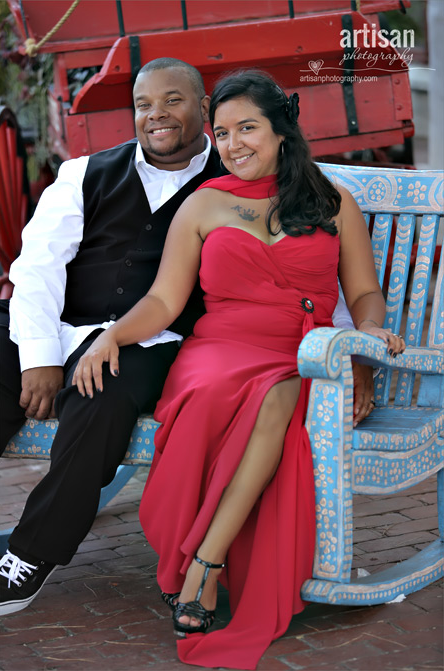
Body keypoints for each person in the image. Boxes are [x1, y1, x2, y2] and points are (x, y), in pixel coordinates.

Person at [0, 57, 370, 618]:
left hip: (155, 340)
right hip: (67, 325)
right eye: (144, 105)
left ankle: (29, 556)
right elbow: (36, 270)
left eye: (173, 101)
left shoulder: (229, 182)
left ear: (201, 109)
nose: (156, 115)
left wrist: (356, 349)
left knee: (103, 398)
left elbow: (320, 284)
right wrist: (39, 358)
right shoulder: (84, 173)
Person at [72, 70, 406, 669]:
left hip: (303, 352)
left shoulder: (331, 202)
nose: (232, 144)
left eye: (246, 128)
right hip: (217, 350)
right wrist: (111, 336)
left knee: (281, 392)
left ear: (281, 130)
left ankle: (206, 561)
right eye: (221, 133)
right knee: (254, 393)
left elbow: (362, 294)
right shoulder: (203, 203)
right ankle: (207, 558)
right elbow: (164, 302)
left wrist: (363, 347)